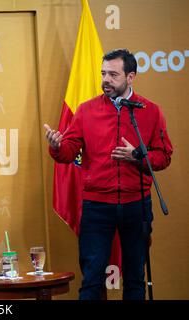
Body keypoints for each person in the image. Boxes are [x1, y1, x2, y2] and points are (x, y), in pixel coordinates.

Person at [44, 49, 173, 300]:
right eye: (103, 73)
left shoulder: (151, 111)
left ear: (131, 77)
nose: (106, 80)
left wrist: (137, 156)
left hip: (137, 205)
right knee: (91, 280)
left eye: (113, 74)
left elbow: (164, 156)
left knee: (135, 279)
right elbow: (68, 152)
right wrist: (57, 146)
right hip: (96, 207)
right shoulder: (86, 110)